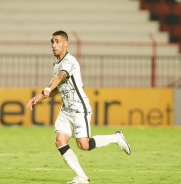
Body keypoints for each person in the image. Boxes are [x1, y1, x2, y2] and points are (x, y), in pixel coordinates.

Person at [26, 30, 131, 184]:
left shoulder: (69, 61)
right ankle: (82, 177)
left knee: (84, 145)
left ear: (66, 43)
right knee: (60, 141)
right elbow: (58, 86)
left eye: (57, 42)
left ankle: (116, 138)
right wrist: (39, 97)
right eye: (52, 42)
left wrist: (47, 89)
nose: (54, 45)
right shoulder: (57, 64)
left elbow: (60, 76)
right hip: (66, 110)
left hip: (79, 108)